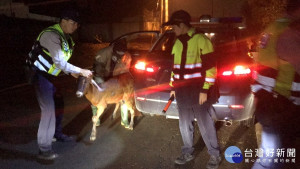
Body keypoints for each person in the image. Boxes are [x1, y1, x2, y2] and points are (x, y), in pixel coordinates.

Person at [25, 8, 93, 160]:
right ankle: (44, 150)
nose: (76, 26)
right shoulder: (51, 35)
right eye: (73, 23)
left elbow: (62, 62)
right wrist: (81, 70)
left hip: (50, 76)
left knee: (59, 103)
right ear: (63, 21)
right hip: (39, 75)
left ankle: (56, 133)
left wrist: (72, 72)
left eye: (77, 24)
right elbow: (60, 62)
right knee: (48, 110)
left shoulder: (66, 38)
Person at [163, 10, 221, 168]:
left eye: (174, 27)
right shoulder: (177, 43)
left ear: (181, 25)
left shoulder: (201, 40)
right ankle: (187, 151)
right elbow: (175, 68)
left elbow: (211, 68)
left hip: (198, 91)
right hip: (182, 92)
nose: (173, 30)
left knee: (205, 124)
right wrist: (173, 87)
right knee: (184, 125)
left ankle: (214, 155)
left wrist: (205, 89)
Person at [251, 0, 300, 168]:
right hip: (280, 102)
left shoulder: (273, 28)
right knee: (272, 159)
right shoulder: (289, 32)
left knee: (274, 156)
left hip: (268, 98)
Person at [91, 40, 132, 128]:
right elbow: (98, 69)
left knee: (124, 97)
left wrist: (121, 84)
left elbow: (125, 71)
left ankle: (124, 121)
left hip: (116, 77)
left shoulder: (127, 56)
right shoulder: (103, 53)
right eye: (118, 53)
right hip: (102, 75)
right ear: (114, 49)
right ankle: (96, 117)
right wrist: (105, 84)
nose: (120, 56)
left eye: (122, 53)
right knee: (97, 95)